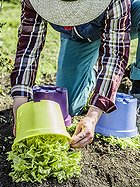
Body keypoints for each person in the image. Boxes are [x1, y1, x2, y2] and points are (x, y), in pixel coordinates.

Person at [11, 0, 140, 147]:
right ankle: (93, 76)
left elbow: (115, 55)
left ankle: (138, 90)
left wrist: (93, 115)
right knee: (69, 105)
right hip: (79, 37)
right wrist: (20, 100)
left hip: (127, 19)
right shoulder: (35, 1)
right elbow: (28, 48)